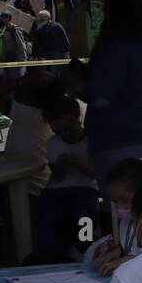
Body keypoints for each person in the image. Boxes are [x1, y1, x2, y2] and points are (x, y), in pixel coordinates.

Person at [81, 0, 142, 185]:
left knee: (123, 208)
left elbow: (100, 97)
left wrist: (76, 86)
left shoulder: (116, 48)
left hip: (119, 143)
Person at [33, 95, 98, 261]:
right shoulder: (53, 143)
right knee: (46, 214)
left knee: (84, 215)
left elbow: (96, 173)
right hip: (56, 191)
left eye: (62, 120)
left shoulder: (91, 140)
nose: (59, 126)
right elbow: (57, 177)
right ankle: (48, 254)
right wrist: (61, 166)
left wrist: (78, 165)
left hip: (86, 189)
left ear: (75, 117)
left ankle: (85, 248)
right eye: (53, 122)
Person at [89, 156, 142, 277]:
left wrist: (124, 260)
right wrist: (118, 251)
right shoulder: (127, 221)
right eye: (115, 202)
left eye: (125, 201)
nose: (120, 207)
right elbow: (132, 247)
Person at [0, 12, 28, 81]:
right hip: (6, 59)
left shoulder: (15, 30)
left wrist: (22, 59)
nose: (0, 20)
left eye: (2, 18)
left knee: (15, 81)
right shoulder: (4, 29)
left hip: (15, 60)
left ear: (7, 19)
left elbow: (21, 45)